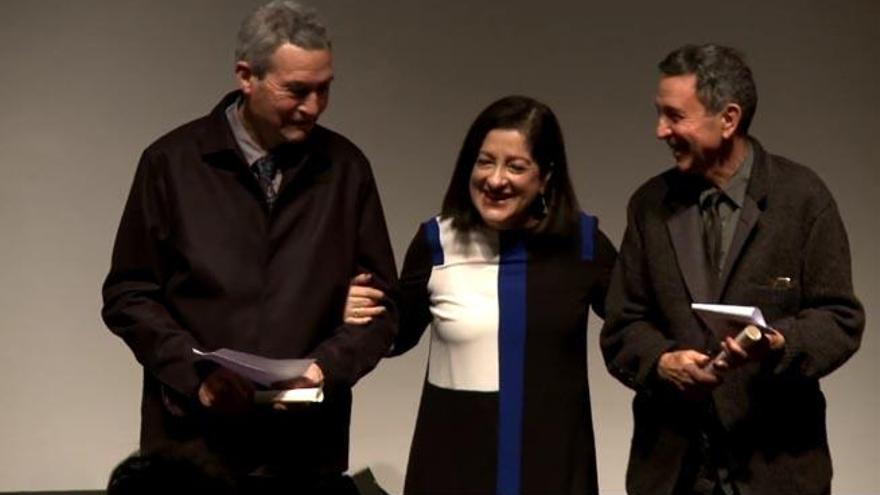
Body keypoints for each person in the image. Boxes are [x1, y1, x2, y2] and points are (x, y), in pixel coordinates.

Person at [101, 2, 397, 492]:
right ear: (247, 76)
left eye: (324, 89)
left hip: (304, 452)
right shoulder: (172, 164)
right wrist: (197, 375)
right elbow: (129, 295)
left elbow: (383, 309)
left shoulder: (345, 169)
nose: (313, 107)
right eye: (296, 91)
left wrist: (327, 367)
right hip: (192, 448)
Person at [600, 43, 865, 495]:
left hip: (776, 470)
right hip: (672, 473)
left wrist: (780, 343)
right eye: (659, 114)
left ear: (728, 119)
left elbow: (839, 318)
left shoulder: (802, 198)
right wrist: (663, 363)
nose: (659, 130)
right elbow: (624, 326)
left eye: (674, 115)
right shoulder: (649, 207)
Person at [345, 95, 617, 494]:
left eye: (516, 166)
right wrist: (355, 307)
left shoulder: (585, 244)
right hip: (454, 469)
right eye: (485, 161)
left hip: (553, 470)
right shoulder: (436, 241)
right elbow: (396, 333)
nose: (495, 179)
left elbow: (634, 326)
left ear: (546, 176)